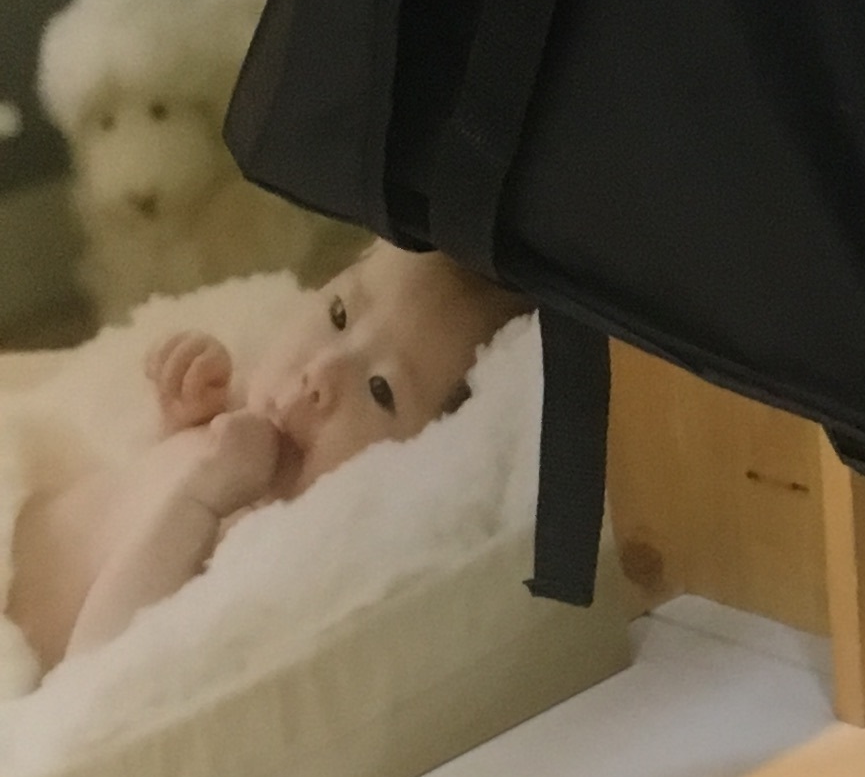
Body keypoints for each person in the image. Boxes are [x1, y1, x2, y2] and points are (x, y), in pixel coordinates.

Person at [4, 243, 523, 685]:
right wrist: (183, 420)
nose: (321, 372)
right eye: (339, 314)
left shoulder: (257, 547)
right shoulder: (243, 440)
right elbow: (131, 501)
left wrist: (200, 500)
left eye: (380, 389)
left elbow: (101, 659)